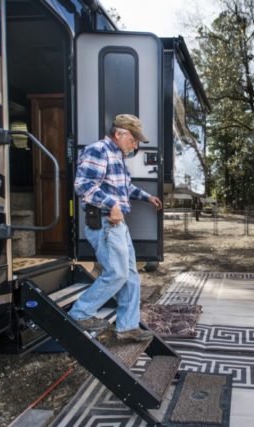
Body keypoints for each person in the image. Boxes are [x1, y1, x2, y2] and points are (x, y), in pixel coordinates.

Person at [68, 114, 162, 343]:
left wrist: (147, 196)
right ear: (119, 133)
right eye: (133, 139)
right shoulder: (98, 150)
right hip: (104, 223)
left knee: (131, 276)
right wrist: (111, 204)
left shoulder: (117, 155)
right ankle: (80, 313)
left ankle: (127, 326)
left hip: (117, 224)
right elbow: (83, 185)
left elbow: (124, 187)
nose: (136, 144)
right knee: (117, 273)